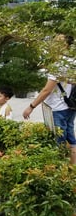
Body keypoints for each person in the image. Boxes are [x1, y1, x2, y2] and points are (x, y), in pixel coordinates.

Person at [22, 35, 76, 164]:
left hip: (58, 107)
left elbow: (47, 90)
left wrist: (31, 106)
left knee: (59, 140)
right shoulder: (72, 62)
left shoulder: (58, 65)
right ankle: (72, 170)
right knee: (71, 137)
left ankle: (59, 171)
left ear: (66, 45)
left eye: (58, 42)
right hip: (70, 105)